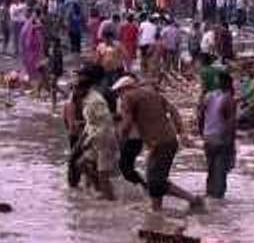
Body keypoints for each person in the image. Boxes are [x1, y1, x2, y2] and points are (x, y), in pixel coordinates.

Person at [118, 80, 204, 213]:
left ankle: (193, 200)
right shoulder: (153, 94)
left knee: (155, 181)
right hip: (168, 140)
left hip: (159, 143)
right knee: (154, 178)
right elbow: (174, 111)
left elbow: (127, 123)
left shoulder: (128, 97)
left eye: (119, 92)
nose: (119, 96)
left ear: (124, 89)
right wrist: (181, 133)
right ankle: (156, 209)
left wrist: (120, 138)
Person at [68, 72, 118, 200]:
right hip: (95, 138)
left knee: (103, 175)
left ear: (84, 88)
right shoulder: (86, 99)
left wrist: (89, 140)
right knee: (81, 164)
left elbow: (106, 124)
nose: (73, 90)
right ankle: (101, 189)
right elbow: (91, 123)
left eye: (75, 88)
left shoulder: (96, 101)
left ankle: (112, 203)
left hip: (104, 139)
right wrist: (83, 139)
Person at [199, 71, 237, 199]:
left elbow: (200, 115)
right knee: (221, 172)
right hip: (221, 139)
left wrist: (202, 133)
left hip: (208, 137)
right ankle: (218, 202)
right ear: (229, 83)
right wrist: (232, 144)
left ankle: (209, 196)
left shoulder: (208, 96)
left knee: (210, 170)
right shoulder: (229, 99)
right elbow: (231, 124)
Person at [112, 75, 146, 190]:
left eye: (121, 90)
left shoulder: (129, 100)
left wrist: (122, 135)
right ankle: (142, 187)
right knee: (126, 166)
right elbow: (124, 115)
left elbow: (128, 121)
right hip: (133, 137)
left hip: (132, 137)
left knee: (125, 167)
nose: (119, 93)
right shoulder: (123, 100)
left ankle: (144, 187)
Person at [19, 11, 45, 85]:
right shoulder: (30, 25)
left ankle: (32, 77)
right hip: (29, 47)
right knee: (30, 62)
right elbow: (30, 31)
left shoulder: (31, 24)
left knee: (33, 62)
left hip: (32, 47)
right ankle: (30, 77)